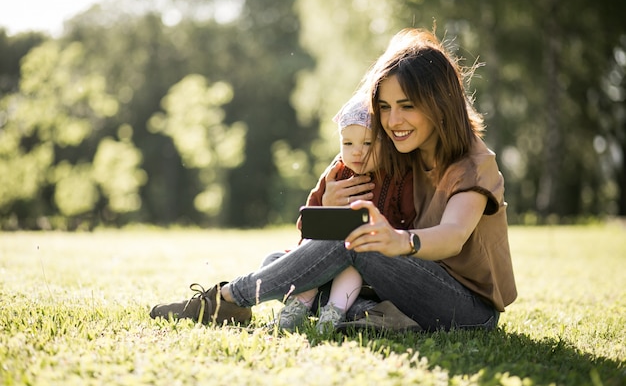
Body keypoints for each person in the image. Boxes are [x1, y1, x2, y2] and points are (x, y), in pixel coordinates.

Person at [150, 27, 517, 332]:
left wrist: (397, 240)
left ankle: (230, 298)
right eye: (385, 108)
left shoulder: (473, 163)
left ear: (441, 102)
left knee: (352, 241)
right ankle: (378, 317)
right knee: (281, 259)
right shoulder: (400, 152)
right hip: (405, 283)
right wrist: (328, 207)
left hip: (467, 308)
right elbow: (337, 188)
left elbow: (452, 237)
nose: (393, 121)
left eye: (407, 106)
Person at [273, 92, 415, 332]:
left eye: (367, 143)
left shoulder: (398, 177)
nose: (356, 152)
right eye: (347, 143)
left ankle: (335, 310)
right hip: (324, 262)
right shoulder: (336, 173)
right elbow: (307, 224)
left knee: (350, 257)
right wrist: (327, 205)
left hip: (369, 266)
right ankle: (301, 304)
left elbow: (408, 223)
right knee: (275, 260)